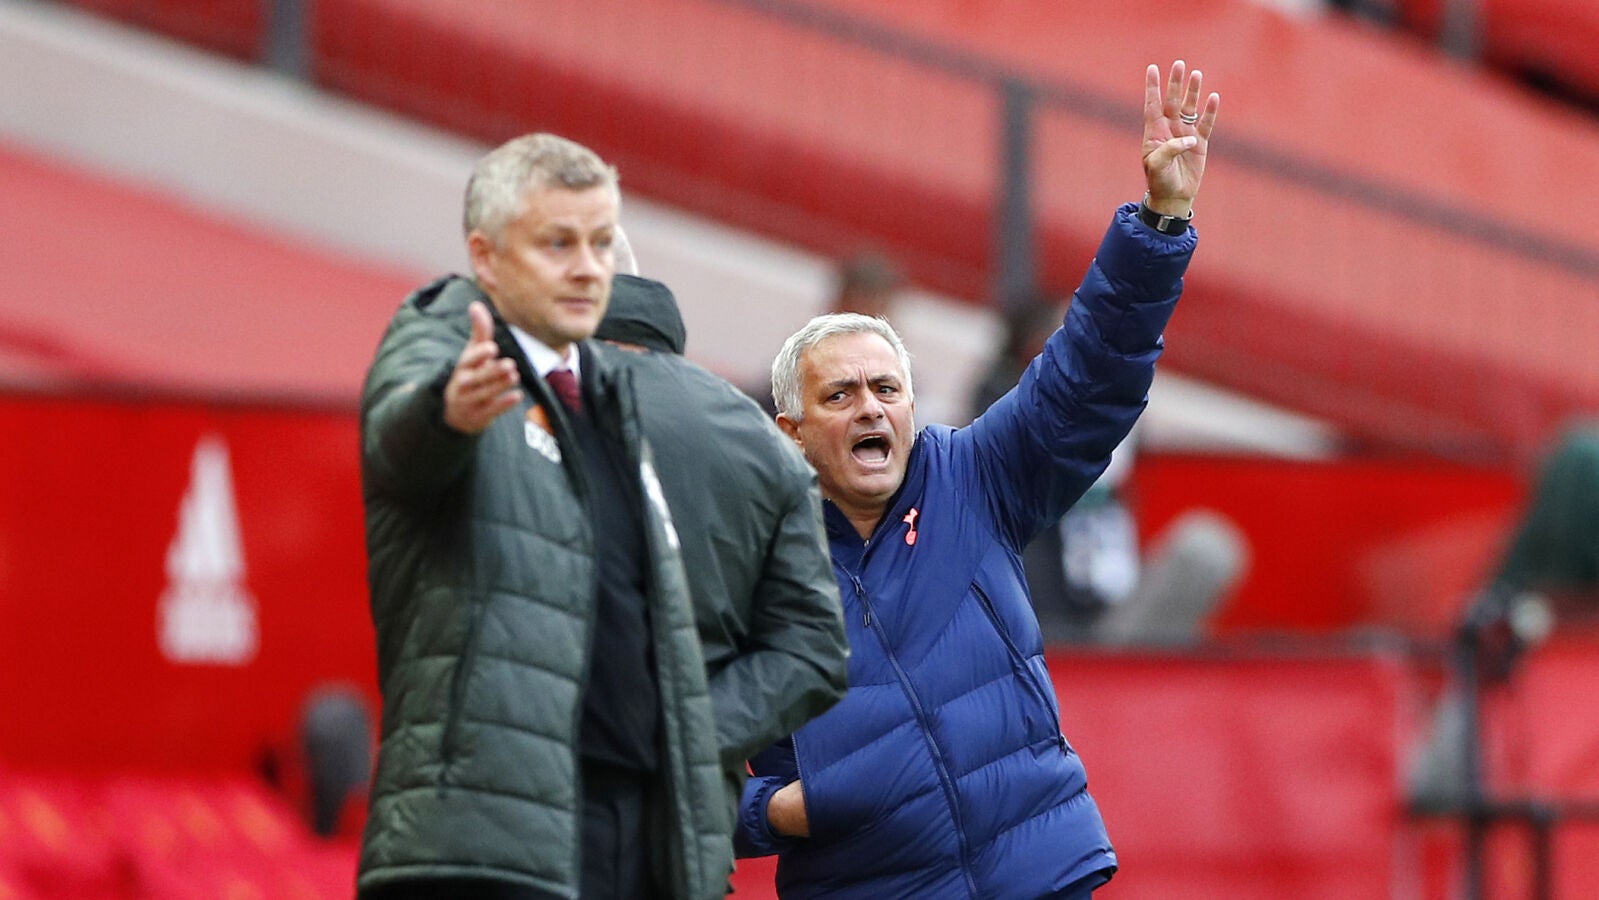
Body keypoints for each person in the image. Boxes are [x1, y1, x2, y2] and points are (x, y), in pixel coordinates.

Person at [735, 60, 1220, 897]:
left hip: (1040, 876)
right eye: (840, 395)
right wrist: (774, 812)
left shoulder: (970, 476)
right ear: (792, 432)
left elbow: (1090, 370)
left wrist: (1159, 223)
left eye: (886, 389)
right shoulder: (744, 562)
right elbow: (657, 763)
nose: (869, 408)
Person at [357, 133, 730, 899]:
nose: (588, 267)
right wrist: (448, 412)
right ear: (487, 257)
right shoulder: (445, 336)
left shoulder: (603, 392)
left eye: (600, 242)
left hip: (626, 832)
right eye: (558, 243)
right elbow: (397, 444)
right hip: (486, 836)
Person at [593, 273, 851, 819]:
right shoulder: (769, 444)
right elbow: (812, 650)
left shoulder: (524, 403)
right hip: (673, 810)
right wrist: (681, 737)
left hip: (521, 788)